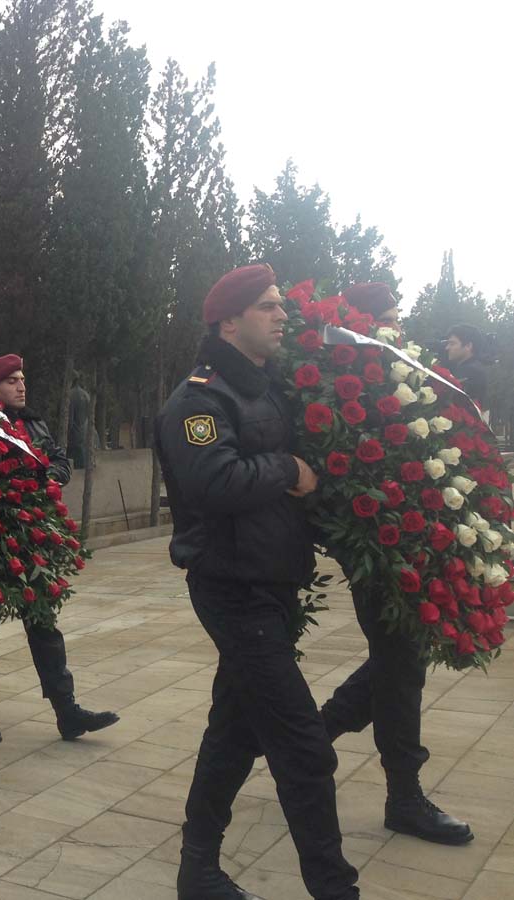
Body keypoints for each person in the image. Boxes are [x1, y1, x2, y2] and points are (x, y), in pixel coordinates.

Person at [156, 264, 359, 900]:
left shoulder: (264, 389)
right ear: (229, 320)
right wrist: (286, 468)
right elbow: (213, 483)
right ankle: (335, 888)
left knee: (233, 731)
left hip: (270, 584)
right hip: (233, 588)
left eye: (280, 305)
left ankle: (197, 869)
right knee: (303, 747)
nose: (282, 316)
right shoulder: (199, 399)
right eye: (268, 307)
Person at [318, 289, 474, 845]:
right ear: (359, 329)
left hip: (414, 547)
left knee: (398, 660)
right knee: (401, 662)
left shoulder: (404, 385)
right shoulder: (342, 389)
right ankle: (403, 796)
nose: (395, 334)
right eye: (384, 324)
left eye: (396, 322)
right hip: (378, 553)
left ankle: (315, 736)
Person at [0, 355, 117, 745]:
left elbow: (59, 459)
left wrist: (50, 478)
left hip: (29, 538)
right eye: (12, 381)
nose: (21, 387)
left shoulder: (34, 422)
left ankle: (67, 712)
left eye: (22, 379)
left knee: (43, 623)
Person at [443, 322, 489, 411]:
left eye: (452, 344)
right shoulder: (475, 368)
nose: (447, 348)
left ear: (468, 346)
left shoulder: (470, 371)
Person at [67, 373, 90, 469]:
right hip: (85, 428)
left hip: (74, 430)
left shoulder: (69, 394)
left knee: (75, 453)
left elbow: (70, 417)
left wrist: (69, 429)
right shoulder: (86, 394)